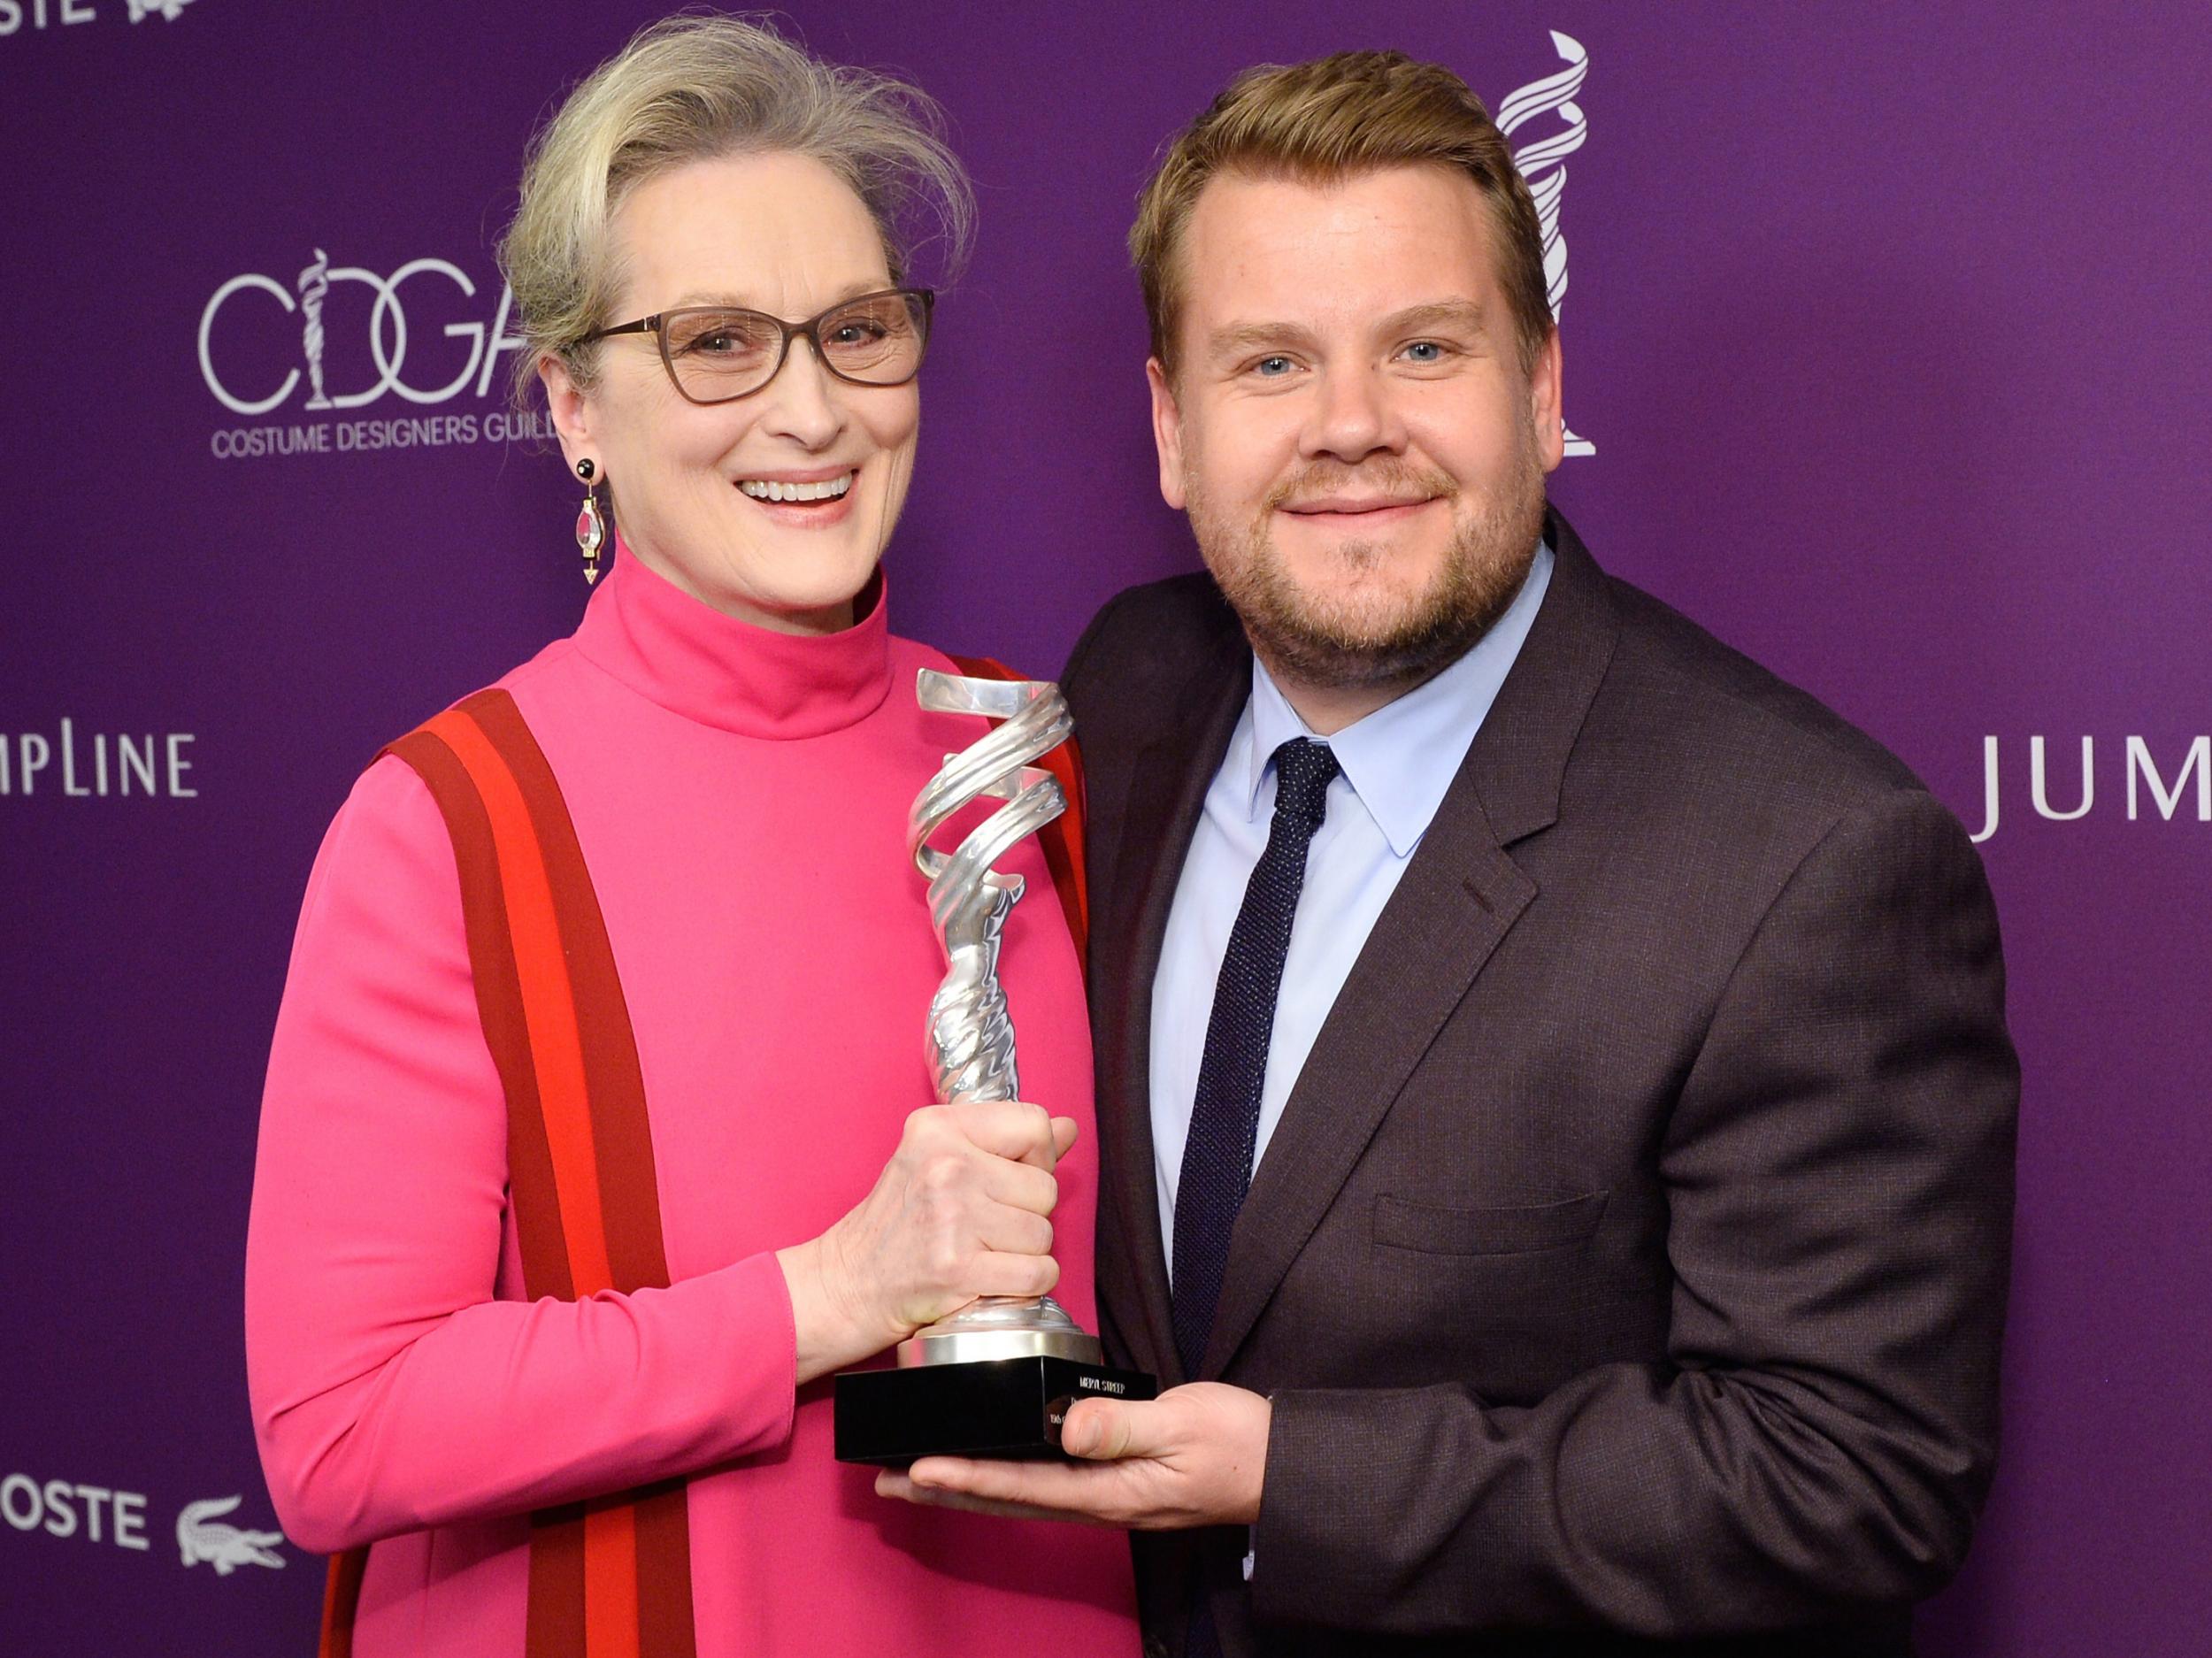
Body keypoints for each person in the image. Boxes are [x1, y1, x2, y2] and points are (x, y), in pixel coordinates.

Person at [879, 50, 2019, 1658]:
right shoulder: (1126, 692)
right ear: (1172, 427)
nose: (1351, 427)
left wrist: (1290, 1481)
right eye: (1270, 362)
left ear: (1542, 392)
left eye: (1424, 347)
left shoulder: (1809, 859)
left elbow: (1852, 1474)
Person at [245, 17, 1136, 1657]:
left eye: (856, 330)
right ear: (573, 405)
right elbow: (342, 1422)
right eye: (717, 343)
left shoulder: (1022, 757)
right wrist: (836, 1291)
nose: (812, 410)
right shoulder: (455, 820)